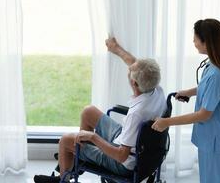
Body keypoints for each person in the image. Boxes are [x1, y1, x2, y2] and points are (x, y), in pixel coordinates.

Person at [34, 38, 166, 183]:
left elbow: (122, 156)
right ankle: (78, 158)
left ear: (134, 83)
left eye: (130, 73)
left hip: (123, 162)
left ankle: (63, 178)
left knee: (65, 140)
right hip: (135, 144)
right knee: (88, 112)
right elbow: (135, 64)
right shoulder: (156, 89)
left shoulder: (136, 114)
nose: (129, 70)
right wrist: (115, 48)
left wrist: (93, 137)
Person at [151, 19, 220, 183]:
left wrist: (167, 122)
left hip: (216, 140)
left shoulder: (216, 74)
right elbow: (217, 90)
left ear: (207, 42)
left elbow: (204, 115)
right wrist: (190, 92)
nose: (193, 42)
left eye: (195, 39)